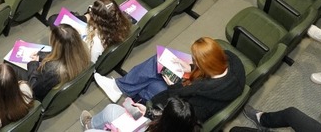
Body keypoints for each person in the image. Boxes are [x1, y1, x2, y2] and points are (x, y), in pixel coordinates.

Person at [93, 37, 246, 122]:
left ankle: (134, 101)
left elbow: (179, 116)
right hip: (189, 89)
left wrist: (173, 87)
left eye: (196, 61)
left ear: (206, 66)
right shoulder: (231, 61)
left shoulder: (203, 104)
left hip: (180, 106)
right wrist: (191, 67)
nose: (193, 61)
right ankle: (120, 88)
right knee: (158, 62)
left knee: (151, 82)